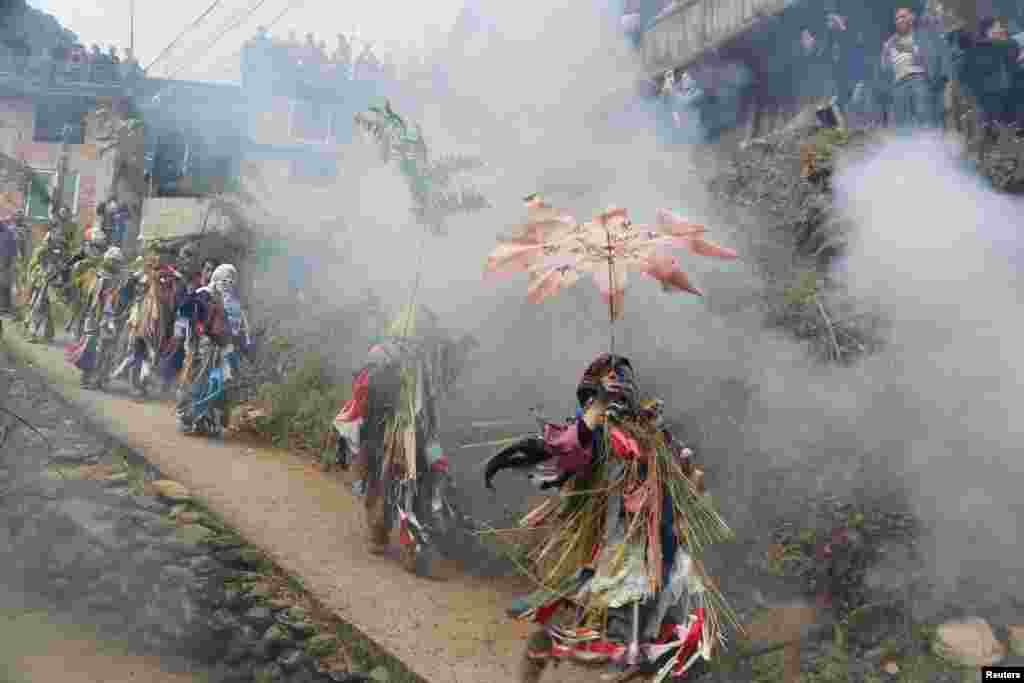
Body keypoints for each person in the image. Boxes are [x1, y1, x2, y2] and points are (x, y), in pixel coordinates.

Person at [484, 354, 736, 681]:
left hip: (662, 536)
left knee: (678, 592)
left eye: (623, 383)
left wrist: (688, 469)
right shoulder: (598, 430)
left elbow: (681, 474)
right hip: (621, 535)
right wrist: (598, 406)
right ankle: (618, 645)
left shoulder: (650, 431)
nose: (621, 388)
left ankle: (665, 656)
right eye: (612, 383)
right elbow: (571, 449)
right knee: (630, 580)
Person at [332, 304, 476, 573]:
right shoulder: (384, 354)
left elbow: (443, 379)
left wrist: (462, 349)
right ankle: (384, 534)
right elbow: (365, 393)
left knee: (417, 485)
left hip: (418, 431)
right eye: (423, 328)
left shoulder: (426, 356)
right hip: (385, 432)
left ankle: (414, 546)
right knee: (384, 483)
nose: (426, 334)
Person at [174, 264, 250, 437]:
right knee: (196, 380)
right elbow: (187, 313)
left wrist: (238, 343)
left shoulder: (230, 302)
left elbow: (236, 327)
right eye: (224, 280)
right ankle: (185, 416)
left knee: (225, 380)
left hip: (221, 347)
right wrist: (193, 331)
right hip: (201, 346)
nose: (227, 284)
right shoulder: (203, 294)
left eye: (231, 281)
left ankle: (209, 418)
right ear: (216, 279)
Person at [66, 247, 131, 389]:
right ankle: (86, 377)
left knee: (106, 350)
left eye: (117, 262)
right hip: (94, 317)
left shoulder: (122, 281)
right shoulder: (95, 276)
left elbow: (124, 302)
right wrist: (82, 316)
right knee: (89, 347)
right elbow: (88, 298)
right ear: (106, 260)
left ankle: (101, 379)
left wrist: (121, 315)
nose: (114, 264)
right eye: (112, 261)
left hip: (111, 320)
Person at [879, 6, 951, 129]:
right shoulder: (890, 42)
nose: (900, 20)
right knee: (902, 123)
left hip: (918, 79)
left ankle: (929, 141)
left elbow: (936, 58)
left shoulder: (924, 37)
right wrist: (884, 54)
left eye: (903, 16)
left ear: (912, 18)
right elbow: (884, 69)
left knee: (924, 117)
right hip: (898, 83)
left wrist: (912, 51)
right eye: (897, 18)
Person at [24, 230, 68, 343]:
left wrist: (58, 272)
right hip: (39, 284)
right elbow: (32, 266)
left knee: (50, 310)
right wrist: (37, 276)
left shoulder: (58, 252)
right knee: (36, 307)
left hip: (51, 285)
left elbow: (61, 267)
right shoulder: (40, 251)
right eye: (52, 242)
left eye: (56, 243)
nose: (54, 245)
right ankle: (32, 333)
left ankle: (48, 334)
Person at [0, 217, 17, 315]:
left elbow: (13, 249)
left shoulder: (8, 232)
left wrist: (12, 263)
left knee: (5, 284)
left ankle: (6, 307)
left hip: (6, 262)